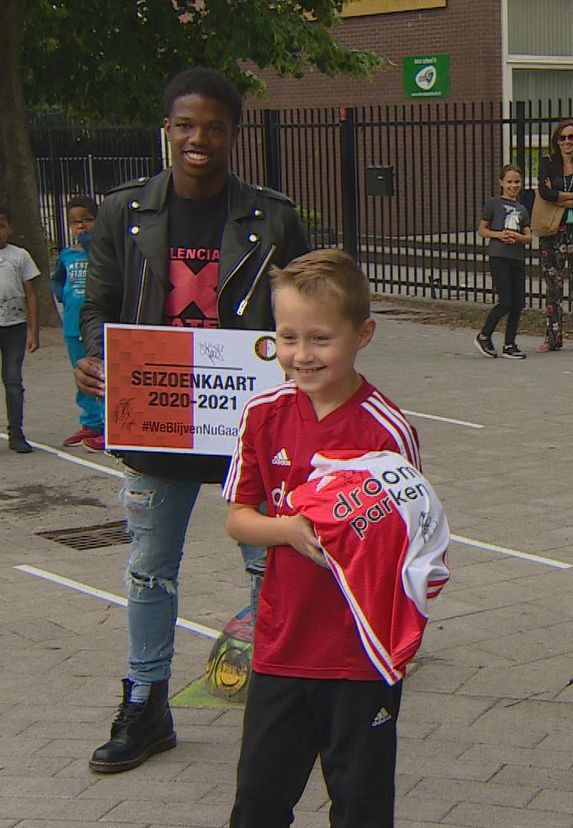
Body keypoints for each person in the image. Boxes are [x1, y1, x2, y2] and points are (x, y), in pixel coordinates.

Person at [77, 66, 310, 774]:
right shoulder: (124, 213)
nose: (197, 138)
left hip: (251, 425)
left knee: (266, 565)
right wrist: (95, 357)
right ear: (167, 131)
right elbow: (99, 306)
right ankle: (146, 703)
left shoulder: (272, 217)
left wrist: (310, 359)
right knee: (149, 569)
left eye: (213, 125)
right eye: (185, 125)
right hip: (155, 422)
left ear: (234, 134)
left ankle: (278, 699)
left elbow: (308, 306)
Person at [222, 248, 449, 827]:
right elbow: (239, 518)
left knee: (361, 806)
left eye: (321, 338)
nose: (302, 355)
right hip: (281, 648)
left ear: (363, 333)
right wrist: (291, 530)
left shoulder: (386, 429)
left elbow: (413, 542)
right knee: (258, 801)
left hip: (358, 657)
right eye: (287, 337)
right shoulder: (263, 413)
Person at [51, 195, 105, 451]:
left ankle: (108, 426)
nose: (81, 227)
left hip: (96, 326)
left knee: (102, 375)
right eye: (75, 223)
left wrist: (92, 245)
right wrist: (63, 295)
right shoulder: (66, 255)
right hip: (73, 325)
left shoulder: (104, 252)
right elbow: (56, 280)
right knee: (82, 376)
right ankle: (90, 423)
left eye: (87, 220)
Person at [536, 118, 573, 353]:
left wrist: (565, 198)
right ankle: (553, 337)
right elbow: (545, 191)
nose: (567, 142)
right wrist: (570, 196)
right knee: (553, 284)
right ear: (556, 141)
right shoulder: (548, 163)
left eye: (571, 137)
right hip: (553, 229)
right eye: (562, 137)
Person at [474, 163, 532, 359]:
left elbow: (528, 235)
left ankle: (510, 343)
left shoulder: (522, 208)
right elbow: (482, 229)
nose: (513, 185)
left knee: (518, 303)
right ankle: (484, 335)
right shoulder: (493, 204)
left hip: (517, 257)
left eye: (517, 182)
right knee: (506, 301)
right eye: (509, 182)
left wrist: (518, 238)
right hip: (499, 256)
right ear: (501, 182)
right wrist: (500, 235)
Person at [0, 204, 40, 453]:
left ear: (10, 228)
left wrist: (33, 331)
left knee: (13, 380)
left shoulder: (20, 256)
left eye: (1, 225)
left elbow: (31, 294)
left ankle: (17, 432)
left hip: (14, 327)